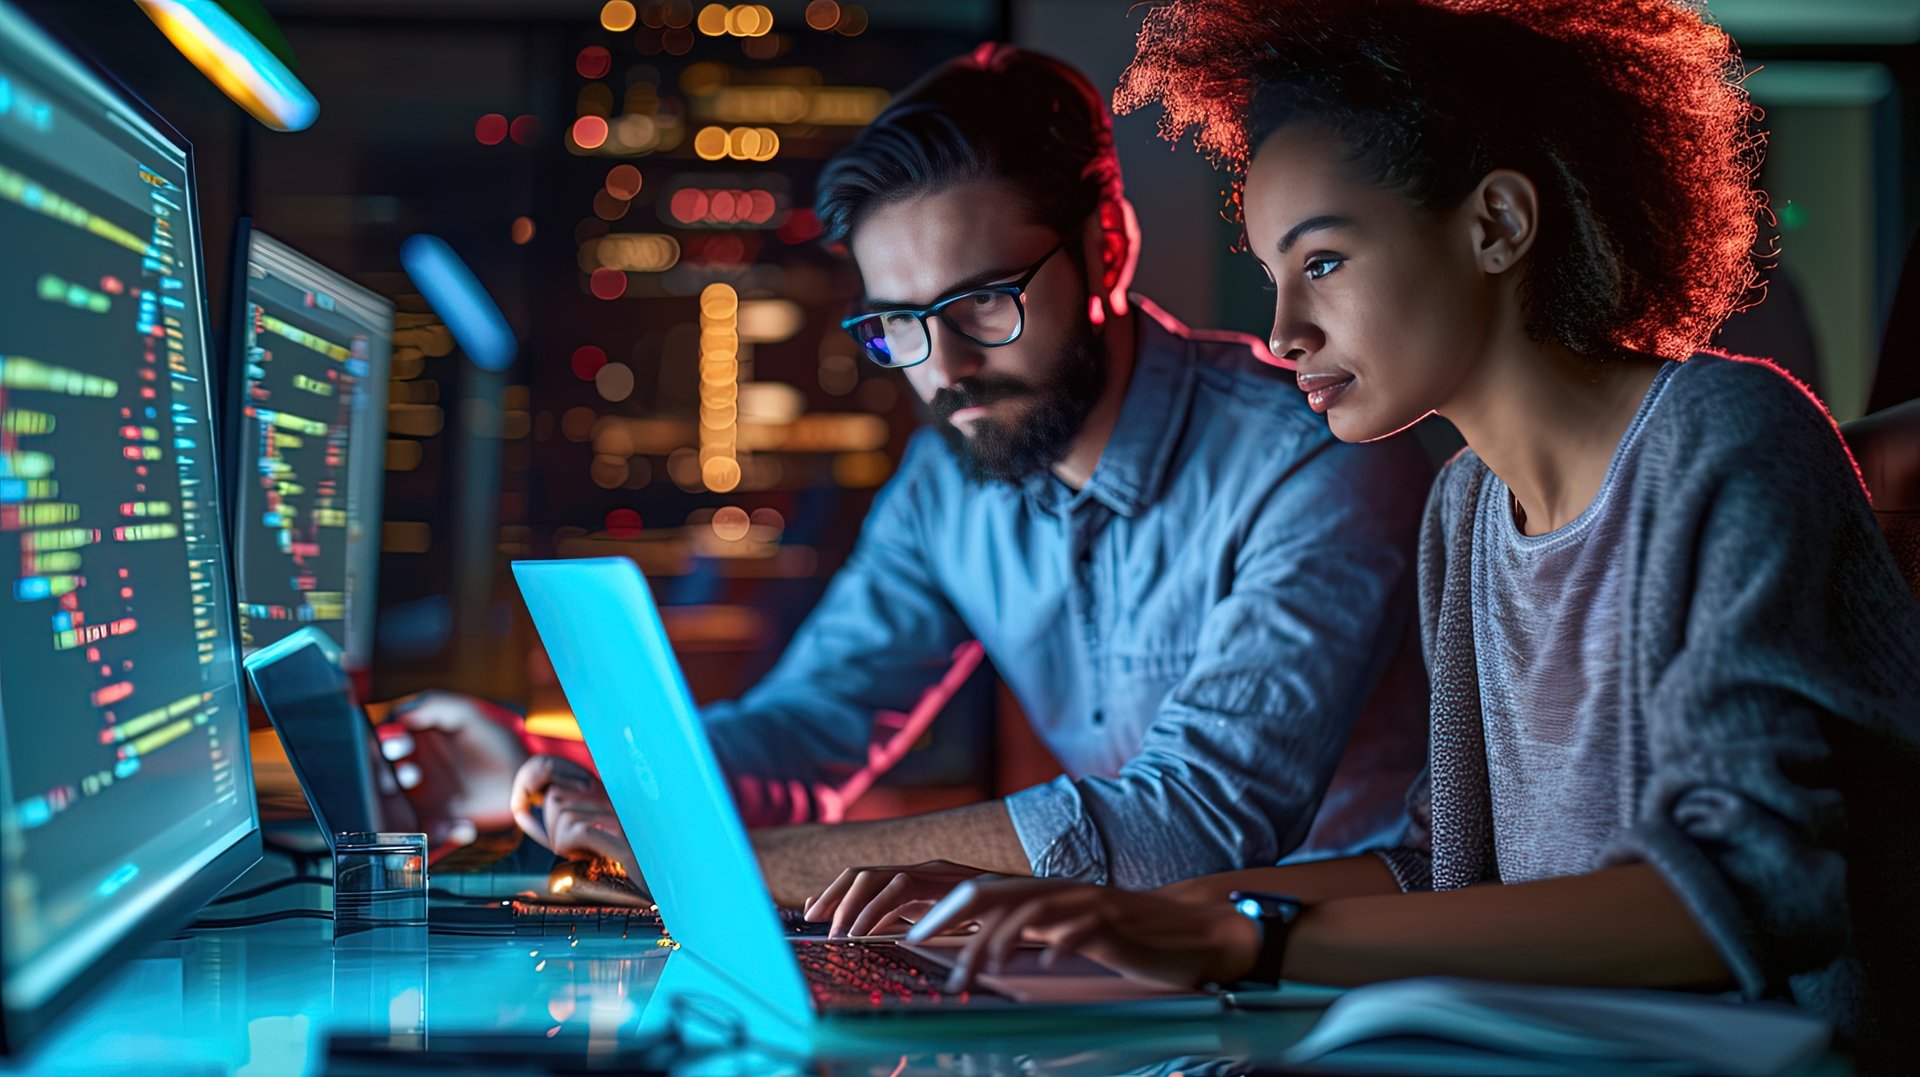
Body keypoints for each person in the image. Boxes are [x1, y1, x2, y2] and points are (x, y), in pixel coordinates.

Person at [856, 0, 1920, 1048]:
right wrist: (1059, 912)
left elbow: (1732, 897)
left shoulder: (1726, 435)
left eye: (1322, 263)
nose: (1282, 332)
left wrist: (1235, 937)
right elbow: (1444, 870)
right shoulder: (1464, 505)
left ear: (1497, 224)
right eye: (1275, 276)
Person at [509, 44, 1435, 918]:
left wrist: (705, 863)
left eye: (984, 298)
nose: (943, 366)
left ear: (1105, 246)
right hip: (1126, 970)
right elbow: (814, 725)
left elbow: (1188, 825)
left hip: (1343, 985)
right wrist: (574, 775)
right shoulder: (951, 478)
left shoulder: (1310, 460)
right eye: (899, 323)